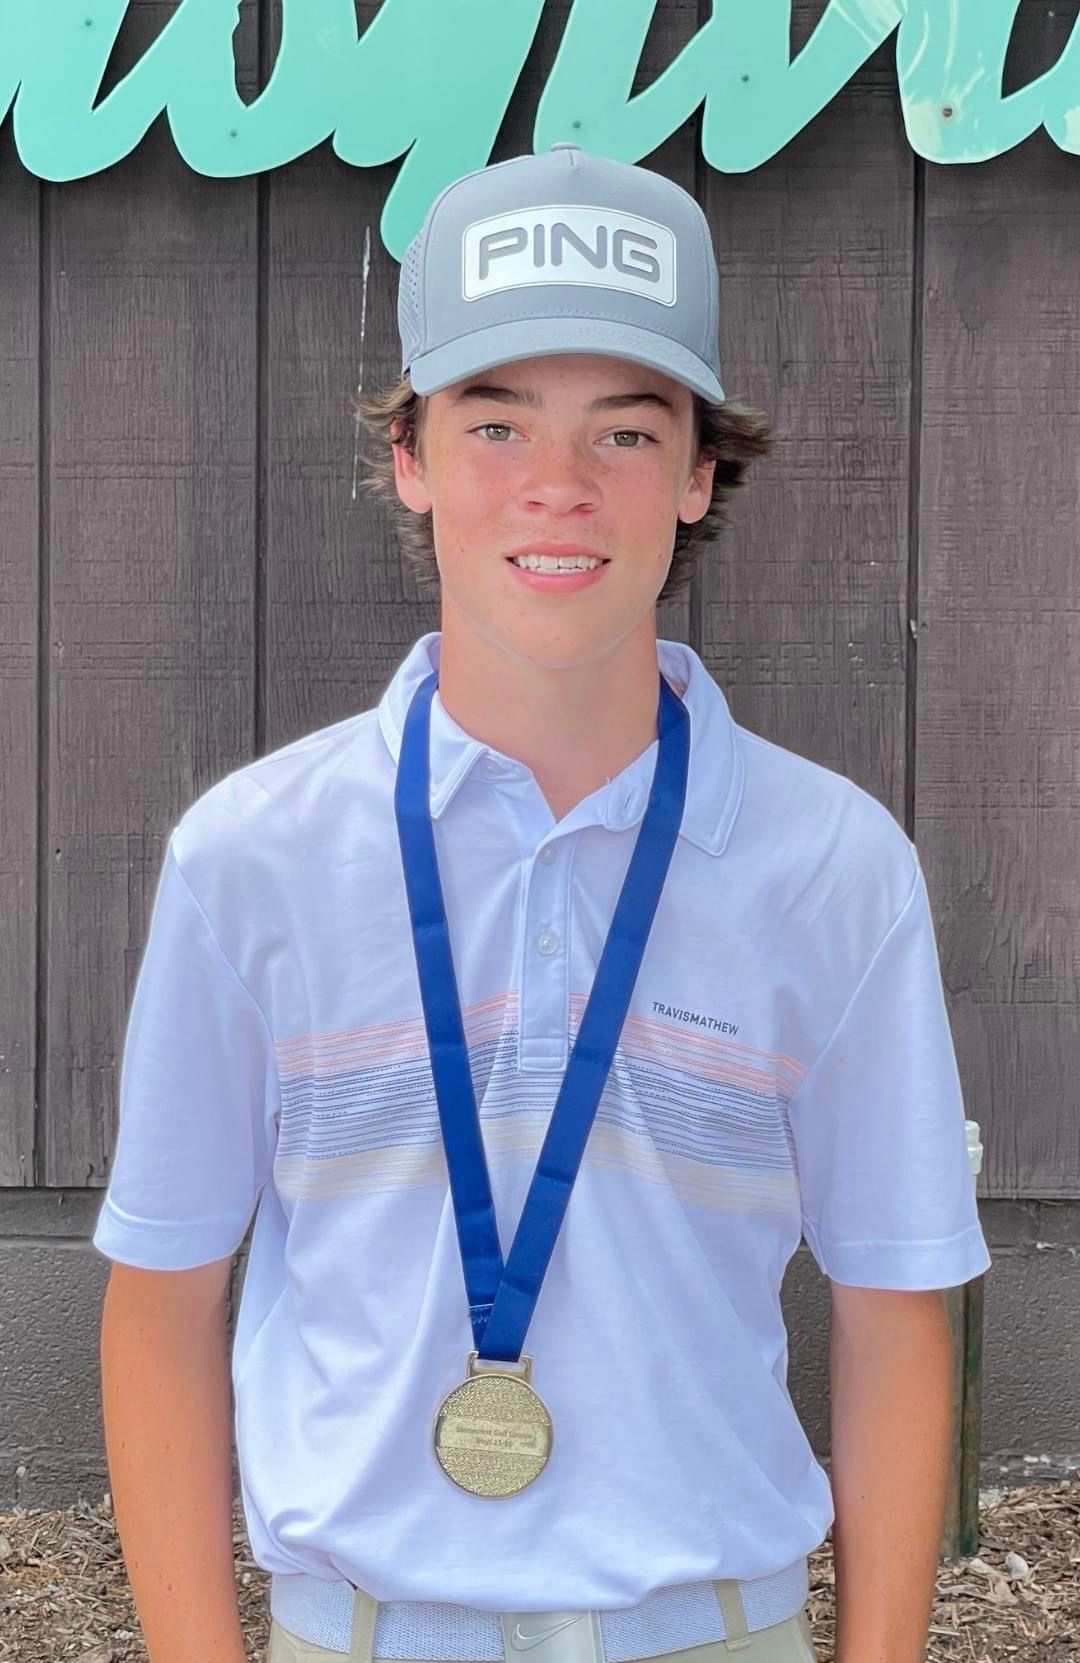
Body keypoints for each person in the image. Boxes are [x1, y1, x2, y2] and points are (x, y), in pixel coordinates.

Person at [93, 143, 992, 1663]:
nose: (558, 487)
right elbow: (159, 1307)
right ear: (412, 458)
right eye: (495, 420)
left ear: (704, 471)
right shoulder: (251, 859)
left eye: (627, 432)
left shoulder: (834, 868)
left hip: (714, 1630)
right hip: (360, 1633)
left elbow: (897, 1311)